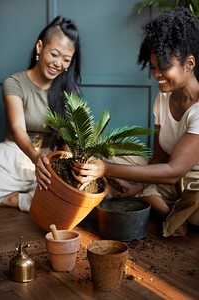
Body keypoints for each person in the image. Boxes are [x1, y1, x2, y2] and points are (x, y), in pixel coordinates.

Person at [72, 7, 199, 237]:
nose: (156, 74)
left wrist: (106, 169)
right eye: (152, 66)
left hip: (191, 185)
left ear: (189, 64)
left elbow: (173, 171)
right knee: (114, 157)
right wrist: (137, 184)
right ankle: (165, 209)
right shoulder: (164, 97)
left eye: (164, 67)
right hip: (171, 183)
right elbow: (159, 158)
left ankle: (166, 209)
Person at [0, 16, 81, 212]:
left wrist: (65, 167)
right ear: (39, 47)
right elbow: (18, 128)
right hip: (14, 157)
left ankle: (22, 199)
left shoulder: (70, 91)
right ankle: (22, 200)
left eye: (66, 59)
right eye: (54, 54)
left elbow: (68, 139)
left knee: (73, 196)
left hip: (50, 161)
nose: (58, 63)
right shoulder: (14, 82)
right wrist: (36, 158)